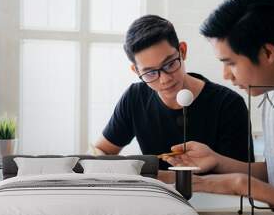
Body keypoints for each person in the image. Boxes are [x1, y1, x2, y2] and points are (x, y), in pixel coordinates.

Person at [164, 0, 274, 207]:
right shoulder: (270, 94)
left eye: (231, 63)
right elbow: (273, 172)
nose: (226, 75)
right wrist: (217, 161)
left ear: (268, 53)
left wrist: (239, 184)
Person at [94, 14, 254, 170]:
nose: (164, 80)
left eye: (170, 64)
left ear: (182, 51)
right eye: (150, 73)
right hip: (156, 196)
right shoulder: (134, 98)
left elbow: (245, 178)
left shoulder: (228, 104)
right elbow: (101, 151)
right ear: (136, 71)